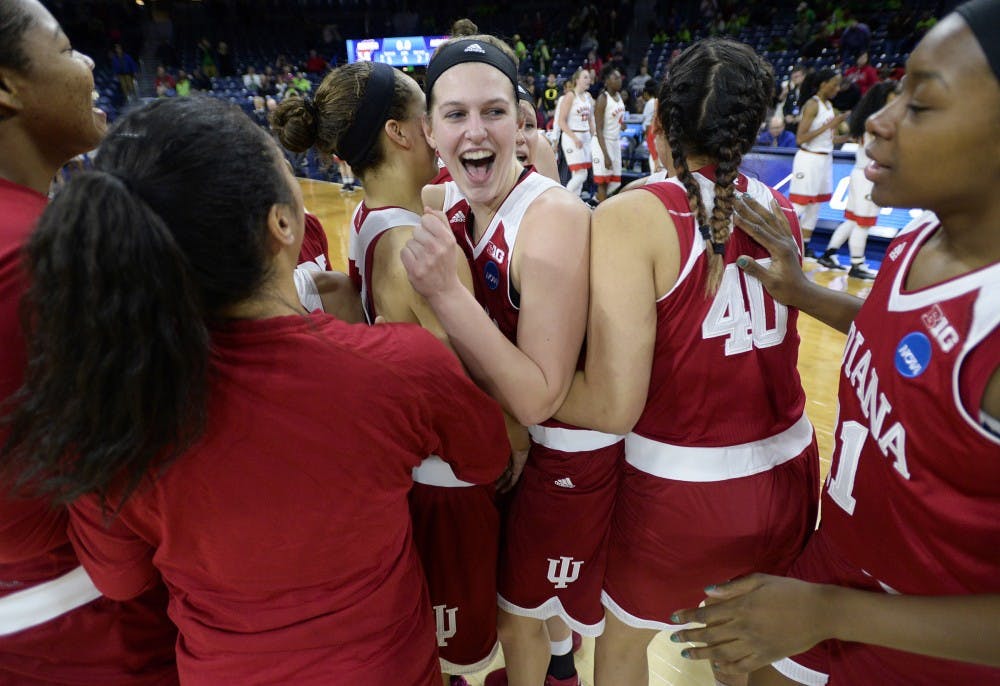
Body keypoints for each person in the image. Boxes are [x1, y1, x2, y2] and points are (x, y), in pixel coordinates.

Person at [3, 96, 510, 685]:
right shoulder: (400, 367)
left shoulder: (113, 412)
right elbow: (486, 455)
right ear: (282, 223)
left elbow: (121, 578)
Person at [669, 2, 1000, 683]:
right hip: (834, 567)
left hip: (921, 643)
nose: (875, 119)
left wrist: (831, 612)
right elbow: (912, 352)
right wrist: (807, 294)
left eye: (921, 104)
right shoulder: (918, 240)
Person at [551, 37, 821, 686]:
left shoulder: (634, 215)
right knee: (742, 651)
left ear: (660, 126)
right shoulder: (781, 209)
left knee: (620, 649)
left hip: (682, 487)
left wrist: (517, 384)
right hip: (789, 475)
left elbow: (615, 404)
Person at [271, 60, 510, 686]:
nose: (438, 127)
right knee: (464, 655)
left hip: (410, 469)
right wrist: (514, 444)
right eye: (427, 114)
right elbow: (466, 384)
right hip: (450, 479)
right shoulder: (423, 252)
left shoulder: (366, 219)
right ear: (403, 133)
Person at [404, 35, 624, 686]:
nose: (477, 130)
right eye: (456, 115)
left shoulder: (552, 216)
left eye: (495, 111)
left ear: (522, 122)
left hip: (560, 462)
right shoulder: (443, 203)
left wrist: (444, 291)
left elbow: (537, 398)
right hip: (505, 451)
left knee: (517, 621)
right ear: (429, 132)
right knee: (512, 623)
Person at [0, 2, 179, 682]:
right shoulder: (36, 254)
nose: (90, 65)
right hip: (83, 623)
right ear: (7, 87)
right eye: (68, 47)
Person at [815, 81, 896, 279]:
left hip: (859, 172)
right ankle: (857, 264)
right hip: (869, 174)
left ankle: (829, 253)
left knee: (852, 220)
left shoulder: (867, 118)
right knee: (863, 223)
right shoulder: (878, 122)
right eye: (893, 97)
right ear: (883, 98)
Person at [788, 68, 850, 255]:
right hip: (809, 159)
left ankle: (805, 244)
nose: (837, 89)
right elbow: (801, 138)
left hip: (825, 158)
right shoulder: (812, 105)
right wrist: (830, 125)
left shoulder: (829, 106)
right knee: (799, 205)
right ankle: (774, 238)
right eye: (835, 84)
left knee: (815, 206)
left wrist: (846, 137)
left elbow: (826, 139)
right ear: (824, 84)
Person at [558, 68, 596, 198]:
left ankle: (575, 203)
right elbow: (561, 121)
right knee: (582, 174)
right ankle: (565, 199)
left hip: (585, 137)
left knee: (579, 174)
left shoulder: (588, 97)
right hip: (572, 136)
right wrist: (574, 138)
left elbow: (591, 119)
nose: (588, 80)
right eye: (585, 77)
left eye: (589, 77)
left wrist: (594, 135)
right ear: (577, 80)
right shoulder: (570, 96)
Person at [592, 65, 627, 201]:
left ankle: (595, 201)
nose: (619, 80)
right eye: (616, 78)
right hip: (602, 142)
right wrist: (605, 155)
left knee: (615, 182)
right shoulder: (603, 99)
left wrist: (621, 124)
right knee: (603, 183)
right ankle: (601, 213)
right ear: (607, 81)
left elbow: (616, 118)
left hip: (614, 141)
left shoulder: (619, 96)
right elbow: (599, 129)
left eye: (620, 78)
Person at [517, 85, 560, 182]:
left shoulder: (540, 145)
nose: (520, 138)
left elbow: (558, 195)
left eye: (528, 125)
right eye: (510, 124)